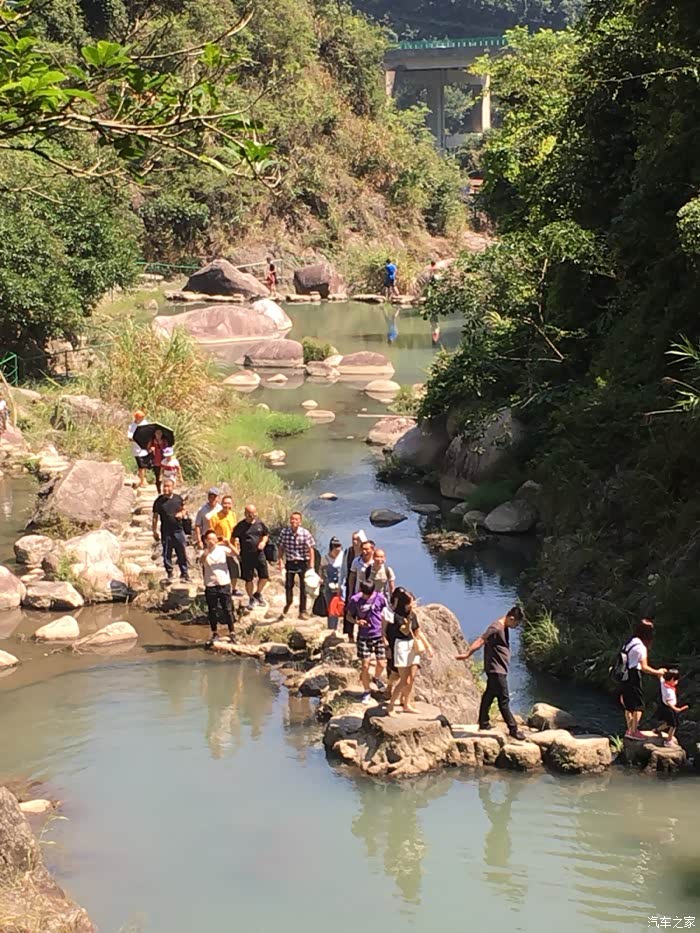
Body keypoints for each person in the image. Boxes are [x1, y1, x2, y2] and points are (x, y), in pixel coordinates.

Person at [456, 606, 527, 741]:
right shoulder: (496, 628)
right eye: (516, 624)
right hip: (496, 670)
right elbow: (481, 640)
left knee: (489, 694)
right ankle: (513, 729)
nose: (515, 627)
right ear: (511, 618)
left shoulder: (503, 626)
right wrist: (467, 654)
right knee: (504, 700)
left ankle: (483, 722)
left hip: (497, 669)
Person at [386, 587, 433, 715]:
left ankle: (406, 703)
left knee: (411, 677)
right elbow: (405, 631)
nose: (413, 604)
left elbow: (418, 631)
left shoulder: (413, 615)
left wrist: (428, 646)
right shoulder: (397, 617)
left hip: (412, 645)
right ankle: (391, 705)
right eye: (411, 602)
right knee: (404, 680)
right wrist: (409, 618)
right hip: (401, 646)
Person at [619, 618, 666, 739]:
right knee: (639, 706)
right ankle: (634, 732)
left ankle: (629, 729)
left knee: (628, 704)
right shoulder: (641, 647)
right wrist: (658, 672)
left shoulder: (629, 642)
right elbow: (644, 667)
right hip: (634, 675)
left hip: (624, 675)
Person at [347, 580, 388, 704]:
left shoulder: (380, 598)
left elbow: (386, 615)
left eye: (369, 594)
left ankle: (376, 678)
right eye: (365, 594)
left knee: (382, 663)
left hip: (378, 635)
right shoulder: (355, 600)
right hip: (364, 636)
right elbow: (348, 616)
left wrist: (385, 634)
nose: (367, 597)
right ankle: (366, 691)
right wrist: (357, 622)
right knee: (365, 665)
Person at [200, 529, 236, 645]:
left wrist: (228, 544)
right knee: (212, 610)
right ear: (206, 540)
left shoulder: (222, 549)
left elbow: (236, 553)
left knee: (228, 609)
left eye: (214, 538)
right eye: (209, 539)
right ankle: (215, 632)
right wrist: (208, 549)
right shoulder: (203, 552)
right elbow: (201, 560)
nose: (212, 541)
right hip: (211, 584)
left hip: (224, 583)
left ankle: (232, 632)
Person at [278, 511, 315, 620]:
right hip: (290, 562)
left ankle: (302, 611)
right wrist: (280, 561)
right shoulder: (284, 532)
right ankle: (288, 602)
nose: (294, 521)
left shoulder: (305, 533)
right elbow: (281, 547)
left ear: (300, 521)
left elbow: (311, 549)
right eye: (292, 519)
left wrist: (311, 565)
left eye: (296, 519)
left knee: (303, 587)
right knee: (289, 585)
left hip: (302, 562)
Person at [232, 504, 270, 610]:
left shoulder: (260, 523)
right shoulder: (241, 526)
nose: (252, 515)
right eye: (249, 513)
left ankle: (258, 593)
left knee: (264, 576)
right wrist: (235, 550)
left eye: (253, 513)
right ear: (245, 514)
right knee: (249, 579)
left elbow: (266, 534)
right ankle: (251, 598)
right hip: (246, 556)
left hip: (259, 555)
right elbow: (233, 538)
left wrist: (263, 542)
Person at [152, 477, 190, 583]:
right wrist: (154, 531)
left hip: (178, 530)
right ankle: (170, 573)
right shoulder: (159, 501)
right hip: (166, 531)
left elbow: (184, 509)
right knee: (166, 553)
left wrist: (181, 513)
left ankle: (184, 573)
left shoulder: (178, 498)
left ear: (173, 487)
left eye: (168, 486)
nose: (166, 488)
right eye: (164, 486)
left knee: (181, 552)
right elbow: (155, 516)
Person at [344, 539, 375, 642]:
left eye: (367, 549)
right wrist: (350, 591)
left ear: (372, 550)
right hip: (358, 592)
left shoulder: (375, 562)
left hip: (371, 594)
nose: (364, 552)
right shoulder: (356, 561)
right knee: (351, 612)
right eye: (363, 549)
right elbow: (352, 576)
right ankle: (350, 635)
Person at [656, 669, 687, 747]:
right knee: (674, 725)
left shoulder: (663, 682)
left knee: (668, 723)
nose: (677, 682)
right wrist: (676, 709)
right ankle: (668, 741)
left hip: (663, 707)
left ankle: (657, 730)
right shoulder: (668, 691)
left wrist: (661, 671)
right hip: (669, 708)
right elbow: (669, 702)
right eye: (676, 680)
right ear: (672, 679)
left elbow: (660, 676)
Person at [321, 536, 344, 629]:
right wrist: (322, 579)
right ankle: (331, 628)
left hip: (340, 587)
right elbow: (321, 570)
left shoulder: (343, 556)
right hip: (329, 587)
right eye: (335, 546)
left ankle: (339, 627)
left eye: (339, 546)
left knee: (340, 607)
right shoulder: (325, 558)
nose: (337, 548)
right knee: (331, 607)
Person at [127, 410, 150, 487]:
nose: (141, 418)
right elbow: (130, 437)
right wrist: (138, 439)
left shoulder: (145, 423)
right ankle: (142, 481)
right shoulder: (132, 426)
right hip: (137, 449)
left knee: (145, 465)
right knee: (141, 465)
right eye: (140, 417)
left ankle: (143, 478)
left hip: (145, 448)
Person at [342, 530, 367, 595]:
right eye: (353, 539)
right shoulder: (348, 552)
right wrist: (340, 585)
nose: (354, 541)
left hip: (363, 586)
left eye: (357, 539)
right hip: (350, 583)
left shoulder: (366, 553)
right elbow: (343, 569)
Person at [147, 428, 168, 494]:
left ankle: (165, 490)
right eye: (157, 433)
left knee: (164, 476)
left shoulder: (164, 441)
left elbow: (168, 450)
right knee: (157, 477)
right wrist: (151, 449)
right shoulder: (152, 441)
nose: (159, 435)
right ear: (155, 434)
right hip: (155, 461)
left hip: (163, 461)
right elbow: (148, 450)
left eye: (160, 433)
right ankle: (159, 491)